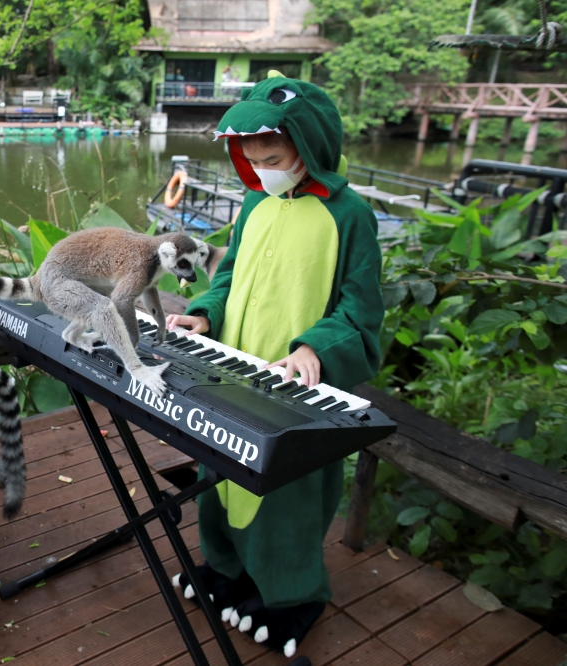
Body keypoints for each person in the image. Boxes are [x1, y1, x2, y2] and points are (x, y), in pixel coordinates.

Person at [166, 73, 384, 659]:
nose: (262, 168)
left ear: (308, 146)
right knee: (218, 475)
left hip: (292, 388)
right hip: (229, 372)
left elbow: (360, 310)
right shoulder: (255, 201)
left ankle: (294, 596)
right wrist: (204, 315)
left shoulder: (351, 216)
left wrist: (317, 345)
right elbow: (230, 276)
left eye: (274, 156)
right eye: (252, 158)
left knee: (286, 496)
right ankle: (226, 570)